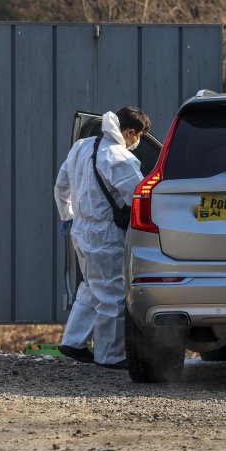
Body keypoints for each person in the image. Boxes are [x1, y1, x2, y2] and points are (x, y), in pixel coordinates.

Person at [54, 106, 151, 369]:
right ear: (130, 132)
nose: (137, 142)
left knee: (91, 287)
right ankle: (109, 355)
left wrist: (68, 215)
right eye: (138, 136)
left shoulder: (82, 146)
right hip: (106, 236)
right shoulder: (120, 158)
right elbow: (139, 197)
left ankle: (73, 341)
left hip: (80, 230)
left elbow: (62, 184)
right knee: (113, 294)